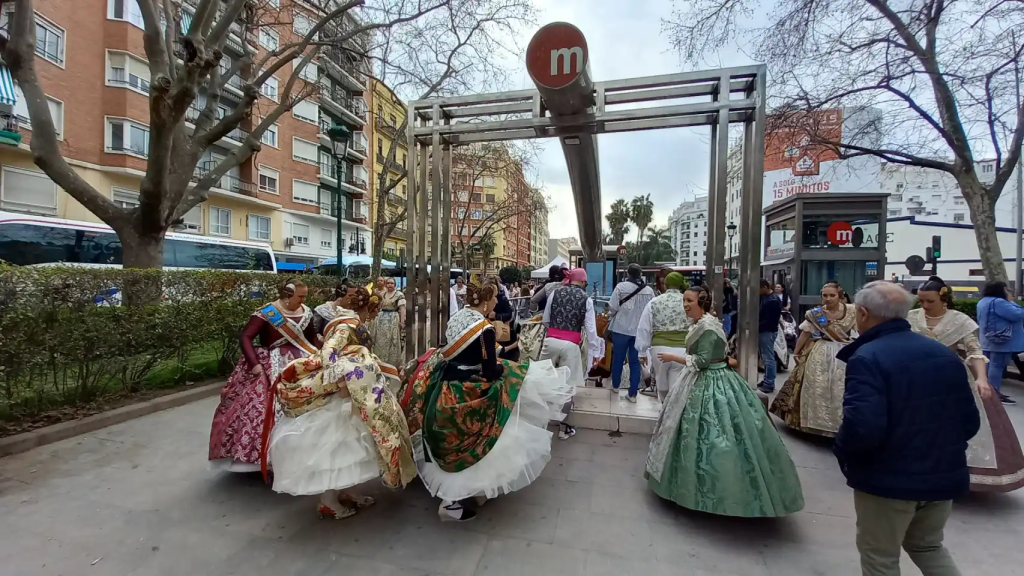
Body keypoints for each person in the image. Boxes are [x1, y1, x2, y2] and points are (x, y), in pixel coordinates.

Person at [834, 281, 979, 575]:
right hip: (942, 476)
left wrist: (842, 451)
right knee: (928, 546)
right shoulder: (944, 355)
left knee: (880, 557)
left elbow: (862, 427)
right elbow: (970, 422)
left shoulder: (867, 357)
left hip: (889, 480)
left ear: (862, 313)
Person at [402, 283, 574, 521]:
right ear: (485, 301)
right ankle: (453, 502)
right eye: (495, 298)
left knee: (456, 442)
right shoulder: (485, 329)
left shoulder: (460, 317)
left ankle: (469, 493)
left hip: (447, 388)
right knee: (483, 443)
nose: (497, 302)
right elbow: (490, 370)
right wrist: (505, 366)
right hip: (472, 391)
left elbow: (462, 351)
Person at [645, 285, 804, 517]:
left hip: (709, 379)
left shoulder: (707, 327)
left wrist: (673, 357)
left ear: (701, 302)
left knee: (713, 433)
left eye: (689, 301)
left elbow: (701, 361)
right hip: (708, 377)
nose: (685, 305)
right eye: (684, 301)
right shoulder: (705, 322)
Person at [269, 287, 416, 519]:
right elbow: (329, 353)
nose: (373, 317)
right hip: (343, 396)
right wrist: (342, 379)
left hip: (354, 393)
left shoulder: (348, 321)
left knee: (351, 450)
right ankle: (329, 501)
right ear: (368, 309)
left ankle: (348, 491)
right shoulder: (348, 325)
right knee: (338, 450)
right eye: (373, 312)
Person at [910, 277, 1024, 493]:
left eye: (929, 301)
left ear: (943, 299)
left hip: (948, 379)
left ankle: (948, 474)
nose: (924, 306)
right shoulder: (911, 317)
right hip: (914, 378)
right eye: (921, 301)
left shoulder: (960, 320)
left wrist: (982, 378)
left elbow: (975, 351)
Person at [209, 280, 319, 473]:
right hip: (272, 366)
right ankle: (267, 458)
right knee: (262, 409)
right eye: (300, 296)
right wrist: (254, 364)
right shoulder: (267, 313)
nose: (303, 300)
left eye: (304, 296)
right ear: (287, 296)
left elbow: (310, 339)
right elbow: (246, 337)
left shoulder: (306, 311)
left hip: (303, 365)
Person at [770, 280, 857, 437]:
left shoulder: (852, 311)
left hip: (845, 350)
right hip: (821, 349)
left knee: (841, 387)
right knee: (816, 384)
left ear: (840, 295)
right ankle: (813, 423)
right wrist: (796, 352)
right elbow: (806, 333)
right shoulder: (816, 314)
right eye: (825, 295)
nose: (828, 298)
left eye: (832, 295)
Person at [541, 268, 604, 438]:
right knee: (567, 387)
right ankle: (564, 428)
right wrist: (596, 351)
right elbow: (591, 330)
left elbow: (545, 319)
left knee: (542, 381)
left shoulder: (555, 293)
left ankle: (539, 423)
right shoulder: (586, 299)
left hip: (550, 342)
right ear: (583, 282)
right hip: (571, 345)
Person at [635, 272, 691, 401]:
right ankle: (674, 414)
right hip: (682, 350)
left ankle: (664, 410)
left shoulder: (654, 302)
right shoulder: (688, 302)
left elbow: (644, 327)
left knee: (662, 387)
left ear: (665, 285)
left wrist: (642, 352)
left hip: (659, 350)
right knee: (676, 388)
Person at [608, 264, 656, 400]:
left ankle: (616, 386)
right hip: (639, 331)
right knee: (635, 361)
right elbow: (651, 310)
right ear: (640, 274)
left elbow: (612, 307)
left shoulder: (621, 287)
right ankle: (633, 393)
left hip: (620, 329)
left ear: (628, 274)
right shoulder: (649, 290)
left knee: (618, 358)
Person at [976, 280, 1024, 405]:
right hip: (1001, 341)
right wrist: (1011, 301)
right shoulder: (999, 302)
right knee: (997, 366)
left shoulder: (983, 301)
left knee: (988, 365)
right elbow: (1018, 314)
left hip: (987, 339)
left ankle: (986, 389)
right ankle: (994, 393)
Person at [757, 279, 783, 393]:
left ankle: (769, 382)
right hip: (766, 330)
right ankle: (767, 379)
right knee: (766, 356)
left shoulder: (772, 300)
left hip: (767, 331)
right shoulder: (767, 298)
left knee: (768, 357)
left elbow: (769, 319)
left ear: (764, 287)